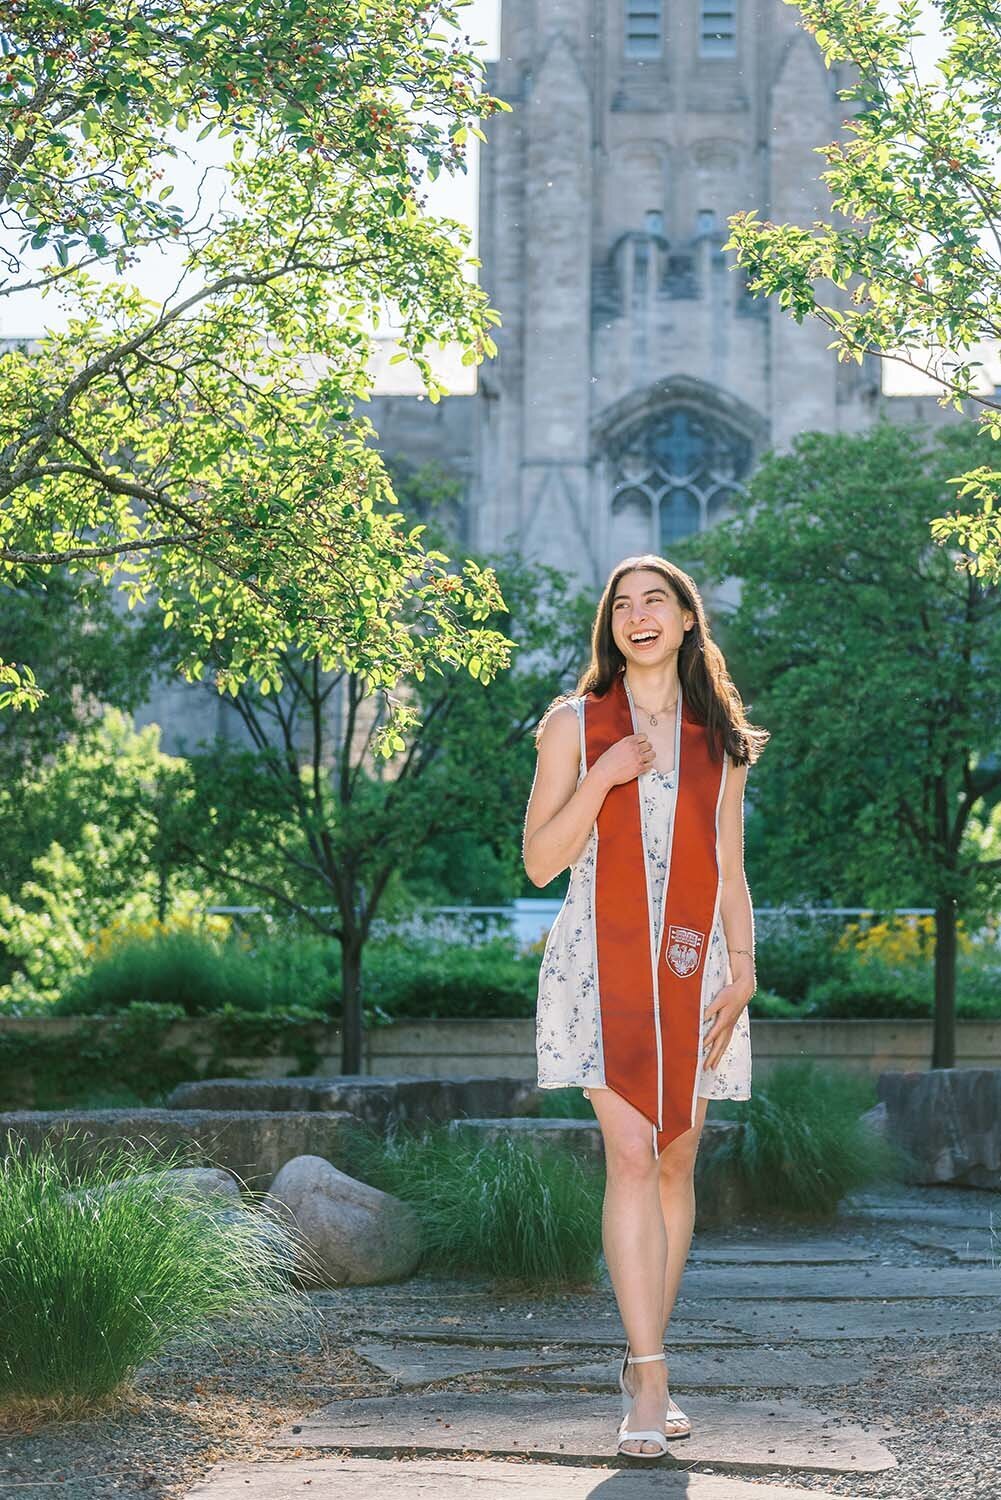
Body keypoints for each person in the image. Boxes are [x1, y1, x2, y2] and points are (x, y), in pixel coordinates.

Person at [523, 554, 768, 1459]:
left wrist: (742, 968)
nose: (637, 615)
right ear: (609, 627)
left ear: (685, 619)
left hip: (695, 970)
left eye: (654, 600)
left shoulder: (719, 740)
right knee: (630, 1153)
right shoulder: (574, 726)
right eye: (621, 604)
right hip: (599, 970)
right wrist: (605, 774)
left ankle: (638, 1361)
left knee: (673, 1161)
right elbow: (541, 862)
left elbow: (731, 866)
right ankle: (651, 1373)